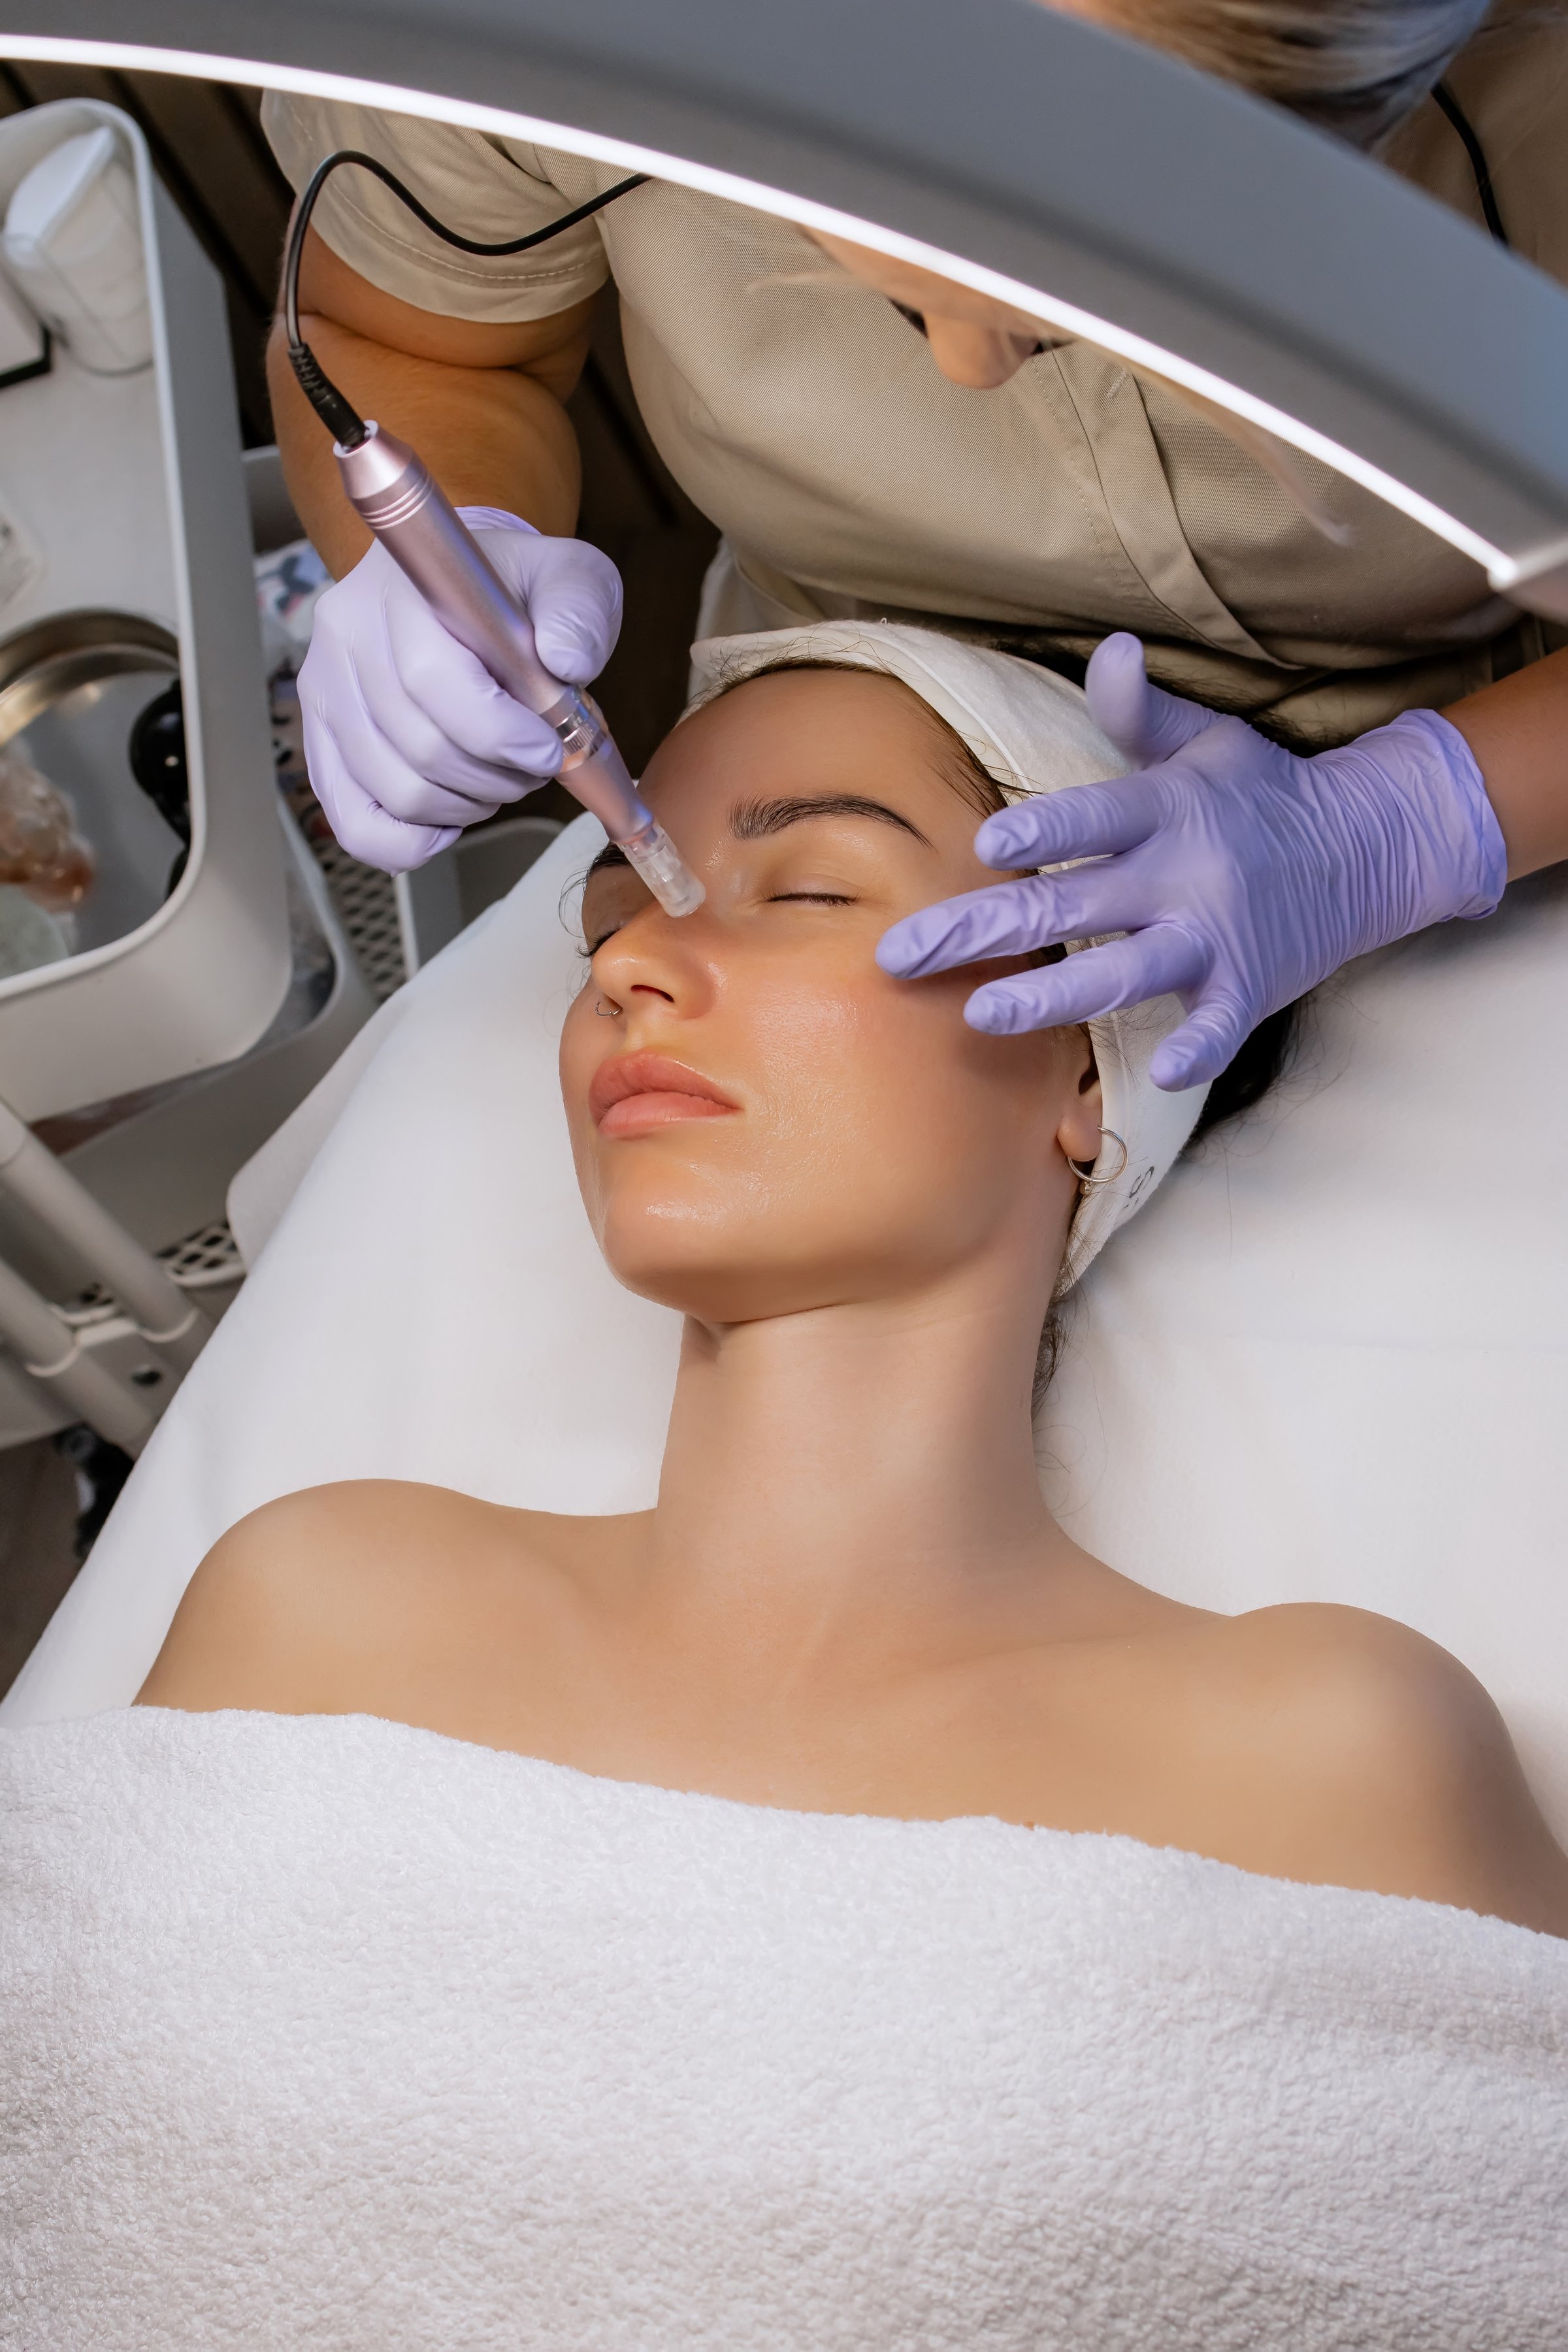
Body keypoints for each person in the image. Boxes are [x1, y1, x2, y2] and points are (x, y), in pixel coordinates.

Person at [8, 630, 1565, 2349]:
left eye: (810, 891)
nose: (638, 970)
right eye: (611, 922)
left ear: (1083, 1065)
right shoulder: (317, 1599)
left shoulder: (1335, 1746)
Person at [265, 1, 1568, 1087]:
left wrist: (1410, 822)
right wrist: (449, 555)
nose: (963, 370)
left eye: (1081, 305)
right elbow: (409, 340)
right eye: (895, 286)